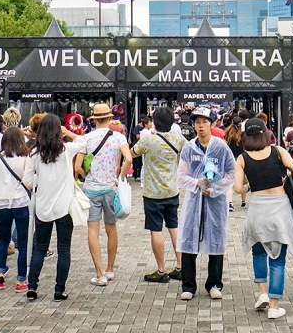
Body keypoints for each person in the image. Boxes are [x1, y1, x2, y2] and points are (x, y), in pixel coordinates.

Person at [235, 117, 293, 319]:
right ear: (265, 134)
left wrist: (249, 186)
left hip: (257, 210)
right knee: (278, 260)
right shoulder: (278, 151)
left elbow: (238, 188)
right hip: (279, 209)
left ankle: (262, 293)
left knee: (258, 253)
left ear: (246, 136)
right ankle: (274, 306)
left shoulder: (243, 158)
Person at [24, 114, 86, 301]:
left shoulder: (34, 154)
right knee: (64, 249)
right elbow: (83, 142)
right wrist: (68, 132)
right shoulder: (66, 150)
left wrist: (40, 181)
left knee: (40, 248)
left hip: (42, 207)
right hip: (64, 207)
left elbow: (27, 181)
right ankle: (59, 290)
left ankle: (32, 287)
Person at [177, 107, 235, 301]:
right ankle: (188, 285)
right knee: (188, 239)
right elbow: (182, 175)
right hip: (194, 200)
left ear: (212, 124)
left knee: (216, 239)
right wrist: (196, 183)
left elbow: (231, 173)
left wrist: (215, 189)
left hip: (215, 201)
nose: (200, 126)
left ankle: (214, 283)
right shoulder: (188, 148)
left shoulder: (221, 147)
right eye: (197, 122)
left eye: (204, 122)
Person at [131, 106, 186, 283]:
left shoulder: (148, 140)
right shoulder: (178, 138)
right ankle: (180, 266)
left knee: (156, 229)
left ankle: (161, 270)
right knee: (174, 226)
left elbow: (132, 153)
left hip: (153, 192)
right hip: (172, 189)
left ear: (154, 122)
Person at [81, 103, 132, 286]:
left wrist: (86, 175)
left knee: (92, 230)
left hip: (90, 189)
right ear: (110, 118)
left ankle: (99, 273)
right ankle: (110, 269)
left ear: (94, 119)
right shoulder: (118, 137)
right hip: (110, 187)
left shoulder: (86, 138)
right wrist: (120, 176)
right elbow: (129, 158)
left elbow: (78, 167)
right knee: (111, 229)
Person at [0, 127, 31, 292]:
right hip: (20, 202)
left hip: (1, 202)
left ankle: (0, 274)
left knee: (3, 239)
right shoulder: (25, 159)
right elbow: (28, 181)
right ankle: (21, 280)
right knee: (22, 242)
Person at [224, 116, 247, 210]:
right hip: (241, 159)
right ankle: (243, 201)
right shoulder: (244, 134)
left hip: (230, 159)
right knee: (242, 181)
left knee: (230, 182)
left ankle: (230, 203)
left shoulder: (227, 132)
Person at [131, 116, 151, 182]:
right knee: (143, 164)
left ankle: (142, 178)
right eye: (149, 122)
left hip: (143, 149)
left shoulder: (145, 131)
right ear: (145, 124)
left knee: (143, 164)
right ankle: (141, 178)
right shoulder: (145, 132)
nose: (151, 124)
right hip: (143, 148)